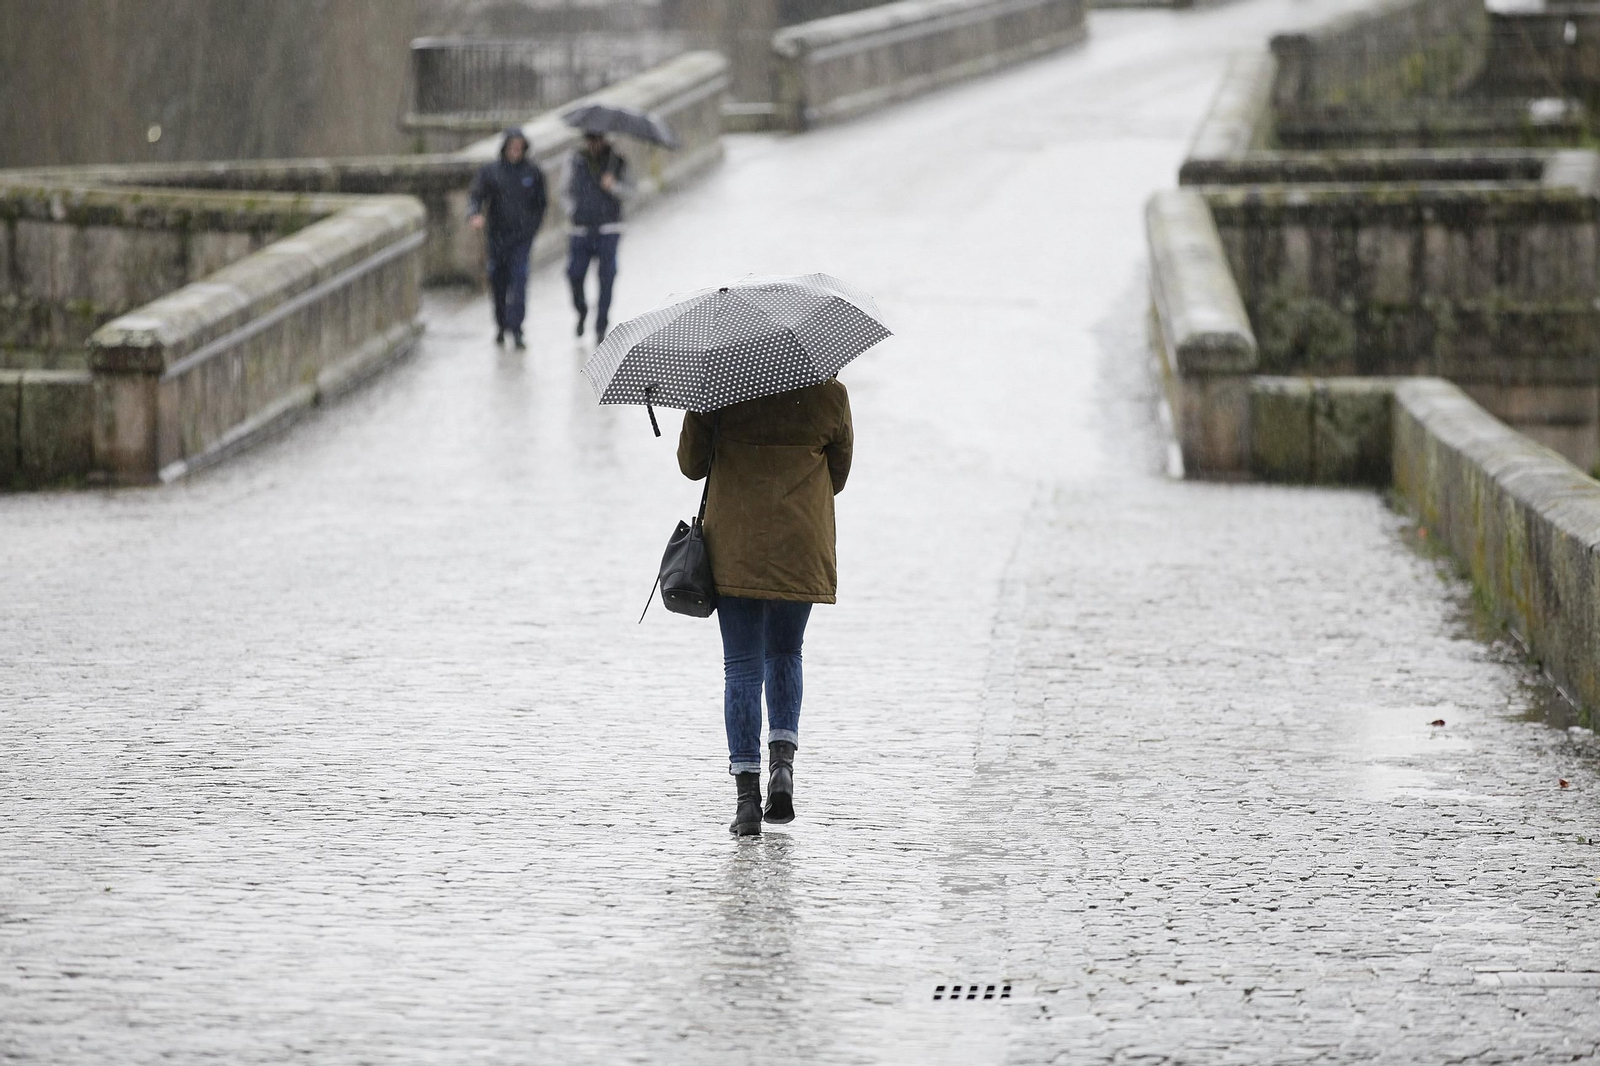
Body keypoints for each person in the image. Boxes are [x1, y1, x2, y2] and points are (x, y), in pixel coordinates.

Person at [677, 380, 854, 837]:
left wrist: (703, 410)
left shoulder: (717, 390)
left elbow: (691, 465)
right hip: (800, 543)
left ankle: (746, 802)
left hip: (736, 544)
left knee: (740, 667)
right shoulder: (829, 394)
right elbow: (839, 474)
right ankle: (782, 766)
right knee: (786, 651)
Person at [467, 127, 548, 350]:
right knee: (498, 282)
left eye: (519, 146)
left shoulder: (532, 172)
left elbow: (541, 204)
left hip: (521, 239)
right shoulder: (491, 171)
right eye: (512, 146)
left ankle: (517, 328)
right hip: (497, 238)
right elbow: (476, 195)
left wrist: (531, 230)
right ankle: (501, 324)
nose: (515, 150)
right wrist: (474, 214)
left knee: (519, 282)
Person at [562, 130, 633, 343]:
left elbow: (632, 191)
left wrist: (614, 187)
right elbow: (564, 191)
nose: (595, 144)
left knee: (607, 277)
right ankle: (581, 310)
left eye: (599, 139)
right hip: (581, 229)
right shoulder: (574, 161)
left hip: (609, 228)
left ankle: (601, 324)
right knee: (574, 274)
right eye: (591, 139)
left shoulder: (617, 162)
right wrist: (572, 210)